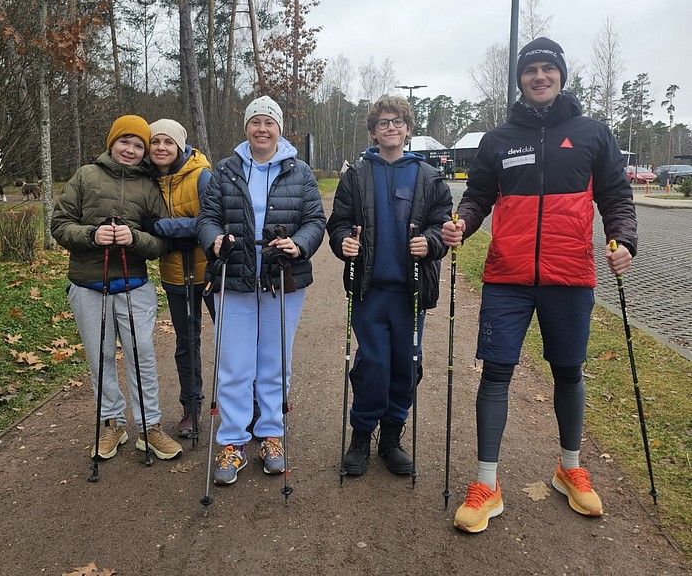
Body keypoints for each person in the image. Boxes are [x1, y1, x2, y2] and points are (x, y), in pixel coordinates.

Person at [441, 37, 637, 532]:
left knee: (569, 372)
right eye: (532, 70)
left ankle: (570, 469)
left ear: (561, 76)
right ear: (522, 79)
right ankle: (487, 482)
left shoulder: (592, 133)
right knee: (497, 373)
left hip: (570, 275)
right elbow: (479, 196)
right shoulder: (499, 138)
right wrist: (463, 221)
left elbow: (616, 194)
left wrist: (624, 239)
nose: (540, 76)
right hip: (507, 275)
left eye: (549, 69)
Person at [196, 96, 326, 485]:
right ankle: (233, 441)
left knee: (274, 361)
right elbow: (207, 218)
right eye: (255, 122)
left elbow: (315, 219)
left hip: (281, 278)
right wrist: (214, 239)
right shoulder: (226, 169)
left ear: (279, 129)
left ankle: (271, 433)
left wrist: (299, 244)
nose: (262, 129)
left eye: (269, 122)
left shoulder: (299, 171)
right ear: (247, 128)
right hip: (233, 275)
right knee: (234, 364)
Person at [327, 95, 452, 476]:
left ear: (409, 129)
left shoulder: (429, 178)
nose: (391, 128)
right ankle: (362, 435)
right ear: (373, 130)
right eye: (383, 122)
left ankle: (392, 436)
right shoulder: (356, 175)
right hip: (369, 290)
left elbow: (442, 225)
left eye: (398, 122)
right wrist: (344, 241)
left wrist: (431, 242)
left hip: (411, 293)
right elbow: (339, 223)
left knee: (406, 364)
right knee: (373, 364)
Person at [52, 115, 182, 462]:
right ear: (112, 143)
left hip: (133, 286)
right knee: (101, 356)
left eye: (139, 145)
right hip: (88, 284)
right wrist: (92, 235)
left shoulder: (149, 186)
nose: (131, 149)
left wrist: (135, 238)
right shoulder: (86, 176)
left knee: (142, 355)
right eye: (125, 142)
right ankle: (113, 423)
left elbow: (162, 242)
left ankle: (150, 426)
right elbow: (60, 225)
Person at [143, 119, 215, 438]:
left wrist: (166, 228)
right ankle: (191, 407)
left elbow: (214, 220)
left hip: (212, 271)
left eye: (167, 142)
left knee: (232, 340)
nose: (161, 148)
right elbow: (141, 221)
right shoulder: (146, 180)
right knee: (186, 343)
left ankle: (250, 406)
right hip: (175, 272)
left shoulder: (202, 175)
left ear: (180, 146)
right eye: (155, 142)